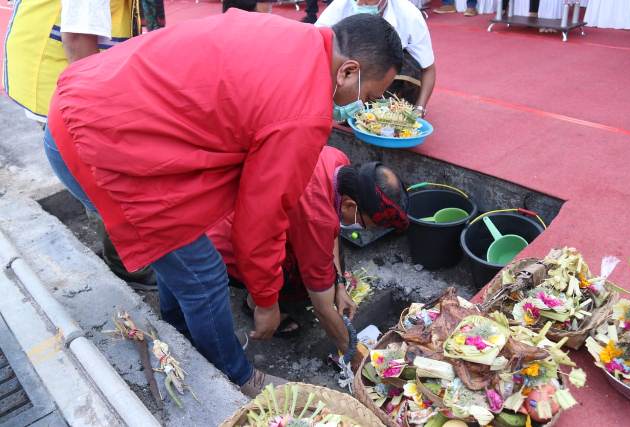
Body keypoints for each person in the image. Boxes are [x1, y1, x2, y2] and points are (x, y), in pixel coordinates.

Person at [42, 11, 403, 397]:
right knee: (204, 276)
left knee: (180, 257)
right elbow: (259, 219)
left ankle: (178, 334)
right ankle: (236, 376)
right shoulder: (304, 111)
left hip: (88, 105)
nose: (361, 107)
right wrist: (265, 301)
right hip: (98, 146)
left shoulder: (292, 36)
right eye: (367, 97)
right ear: (348, 72)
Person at [3, 0, 160, 291]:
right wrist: (93, 113)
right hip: (62, 78)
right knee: (102, 182)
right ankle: (128, 265)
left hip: (59, 73)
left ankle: (122, 252)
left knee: (94, 176)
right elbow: (77, 40)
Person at [208, 147, 409, 355]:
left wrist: (339, 284)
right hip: (226, 245)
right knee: (307, 282)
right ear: (350, 205)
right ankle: (254, 303)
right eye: (367, 225)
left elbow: (330, 234)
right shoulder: (316, 215)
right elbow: (322, 308)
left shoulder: (337, 162)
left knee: (325, 266)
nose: (364, 229)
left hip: (240, 211)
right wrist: (351, 353)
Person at [316, 0, 436, 114]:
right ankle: (347, 102)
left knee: (410, 68)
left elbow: (428, 68)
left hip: (390, 72)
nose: (361, 4)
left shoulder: (409, 15)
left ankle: (391, 107)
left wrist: (420, 108)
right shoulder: (341, 5)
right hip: (353, 66)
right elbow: (316, 42)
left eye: (368, 1)